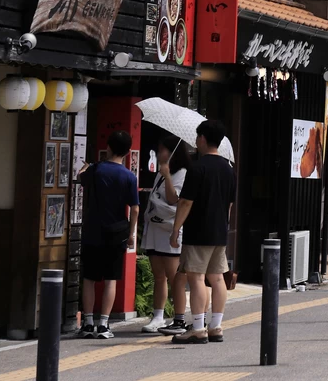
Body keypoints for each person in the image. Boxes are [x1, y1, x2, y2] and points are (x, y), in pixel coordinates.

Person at [170, 119, 236, 344]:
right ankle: (216, 326)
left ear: (203, 139)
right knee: (217, 278)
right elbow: (229, 204)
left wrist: (176, 228)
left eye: (197, 138)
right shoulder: (228, 169)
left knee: (196, 277)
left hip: (198, 231)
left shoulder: (197, 168)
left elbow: (186, 202)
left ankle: (198, 328)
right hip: (219, 231)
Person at [79, 128, 139, 339]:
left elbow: (81, 179)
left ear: (108, 147)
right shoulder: (129, 177)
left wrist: (84, 169)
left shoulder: (95, 170)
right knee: (110, 279)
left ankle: (87, 322)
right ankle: (103, 325)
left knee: (89, 278)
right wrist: (131, 233)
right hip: (117, 231)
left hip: (93, 230)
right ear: (128, 151)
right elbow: (135, 207)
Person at [140, 138, 190, 334]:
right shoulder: (160, 174)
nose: (159, 153)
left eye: (162, 150)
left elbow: (173, 199)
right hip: (155, 228)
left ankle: (179, 318)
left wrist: (168, 176)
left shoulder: (181, 173)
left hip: (170, 230)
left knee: (174, 277)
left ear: (172, 153)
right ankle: (158, 317)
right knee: (158, 275)